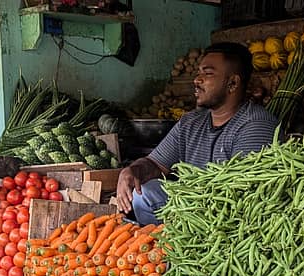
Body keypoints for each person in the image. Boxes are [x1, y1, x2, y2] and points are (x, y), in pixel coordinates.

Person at [117, 43, 279, 225]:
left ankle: (182, 240)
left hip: (228, 215)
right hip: (191, 204)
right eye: (198, 73)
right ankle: (158, 239)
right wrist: (132, 171)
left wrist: (189, 203)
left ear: (232, 83)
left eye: (207, 73)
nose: (196, 80)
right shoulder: (191, 122)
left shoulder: (256, 125)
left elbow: (242, 196)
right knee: (144, 193)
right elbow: (155, 164)